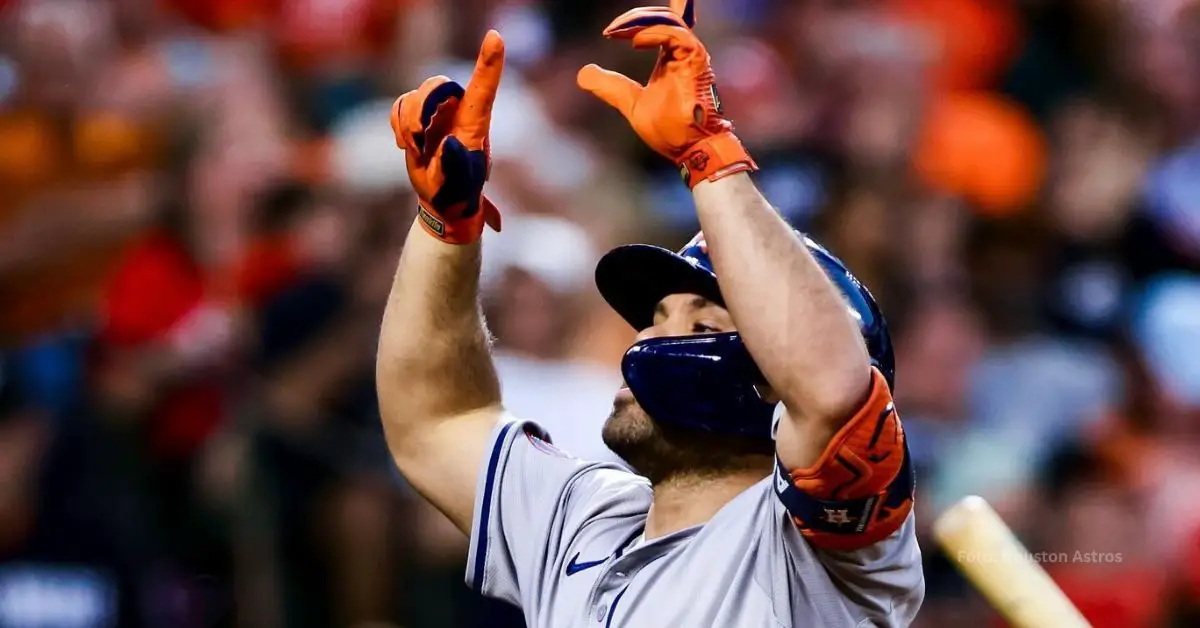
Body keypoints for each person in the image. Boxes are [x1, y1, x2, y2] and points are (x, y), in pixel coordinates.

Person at [375, 1, 924, 625]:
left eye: (701, 321)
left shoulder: (824, 552)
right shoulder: (583, 518)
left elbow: (831, 391)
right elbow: (436, 421)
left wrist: (709, 155)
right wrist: (443, 229)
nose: (648, 340)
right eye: (658, 316)